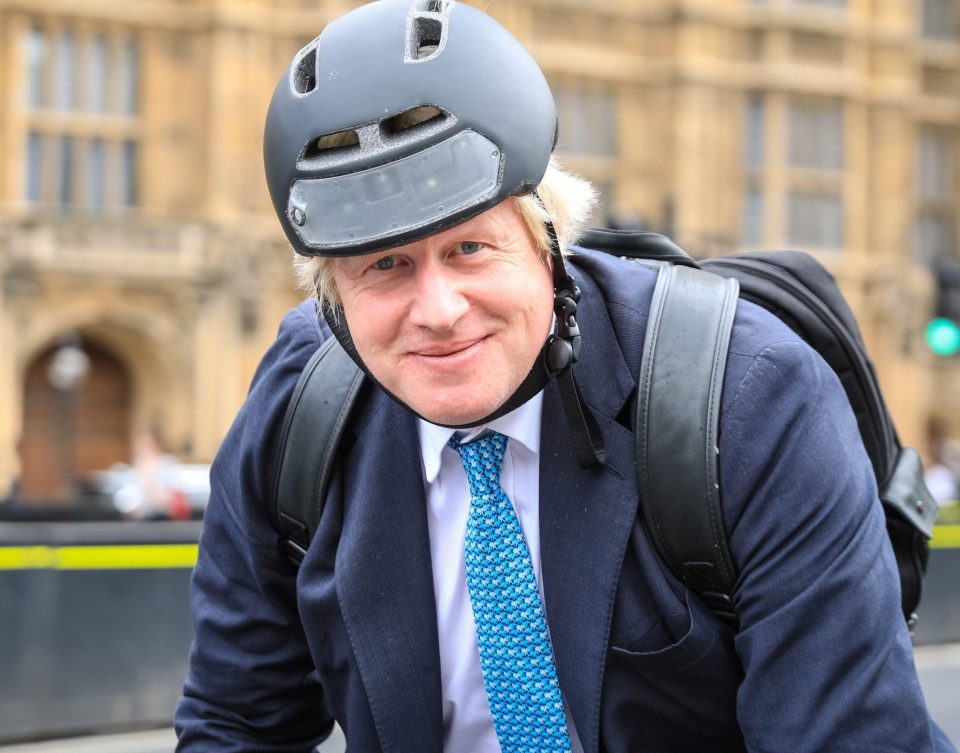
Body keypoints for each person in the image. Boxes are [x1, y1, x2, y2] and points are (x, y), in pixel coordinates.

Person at [175, 1, 956, 751]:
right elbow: (236, 722)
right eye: (385, 265)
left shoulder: (746, 397)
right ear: (331, 296)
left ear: (550, 237)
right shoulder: (296, 410)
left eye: (470, 249)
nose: (439, 308)